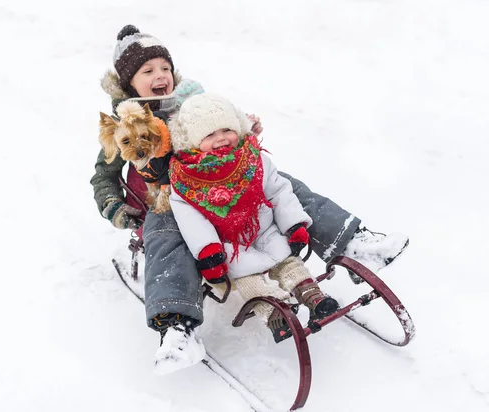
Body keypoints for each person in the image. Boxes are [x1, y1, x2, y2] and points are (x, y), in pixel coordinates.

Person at [90, 25, 409, 372]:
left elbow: (220, 123)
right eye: (148, 71)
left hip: (224, 179)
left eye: (165, 68)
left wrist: (242, 131)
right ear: (128, 83)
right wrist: (115, 206)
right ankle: (176, 328)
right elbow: (103, 176)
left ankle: (353, 243)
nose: (160, 76)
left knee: (282, 184)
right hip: (173, 198)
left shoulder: (190, 101)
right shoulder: (123, 124)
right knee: (165, 237)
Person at [168, 92, 341, 343]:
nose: (220, 139)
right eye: (209, 135)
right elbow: (192, 221)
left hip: (263, 228)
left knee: (289, 263)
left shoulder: (254, 158)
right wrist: (208, 252)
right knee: (248, 281)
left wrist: (294, 225)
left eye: (226, 129)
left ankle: (312, 294)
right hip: (227, 245)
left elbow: (279, 191)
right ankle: (275, 314)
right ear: (192, 142)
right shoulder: (185, 180)